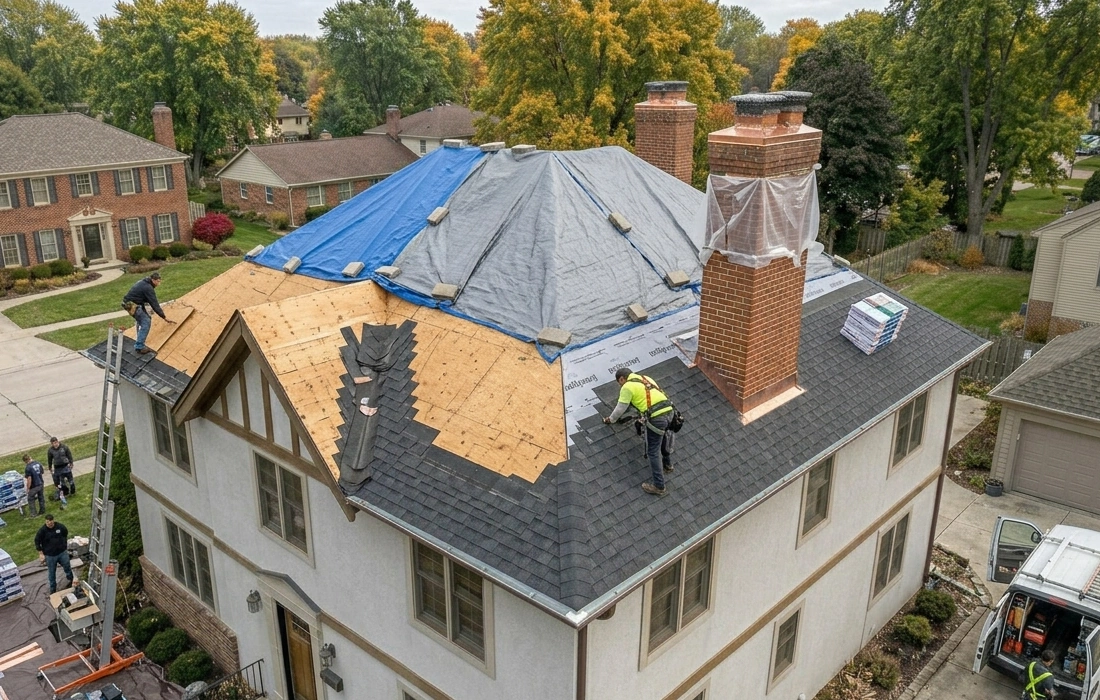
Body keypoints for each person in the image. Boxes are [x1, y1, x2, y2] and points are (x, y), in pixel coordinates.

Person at [602, 367, 675, 495]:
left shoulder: (627, 387)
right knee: (662, 437)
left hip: (656, 418)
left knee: (653, 451)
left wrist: (611, 420)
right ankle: (668, 465)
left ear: (621, 379)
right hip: (670, 413)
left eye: (620, 383)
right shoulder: (646, 378)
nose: (620, 386)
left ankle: (659, 486)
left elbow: (621, 408)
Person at [122, 271, 175, 354]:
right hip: (132, 305)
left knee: (142, 319)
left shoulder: (144, 282)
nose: (159, 283)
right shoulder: (148, 288)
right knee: (146, 322)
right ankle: (139, 346)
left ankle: (139, 339)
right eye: (158, 281)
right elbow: (154, 303)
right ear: (153, 280)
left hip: (129, 304)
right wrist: (164, 317)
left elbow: (144, 300)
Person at [35, 514, 73, 594]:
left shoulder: (60, 527)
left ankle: (71, 581)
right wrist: (41, 553)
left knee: (67, 566)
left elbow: (65, 532)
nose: (50, 524)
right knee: (52, 573)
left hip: (62, 553)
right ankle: (53, 590)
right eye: (48, 522)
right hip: (50, 556)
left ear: (53, 520)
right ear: (46, 522)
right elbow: (37, 541)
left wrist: (63, 544)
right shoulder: (42, 531)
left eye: (51, 522)